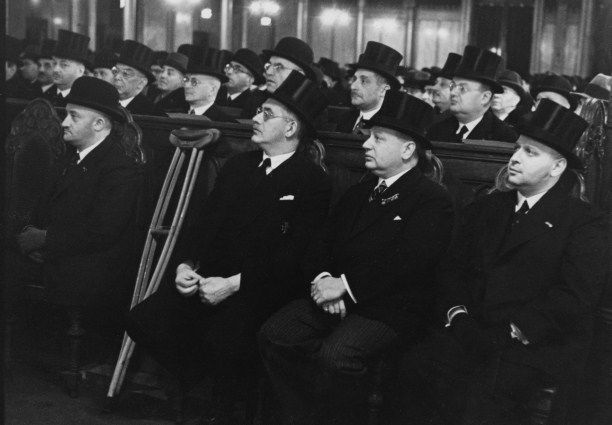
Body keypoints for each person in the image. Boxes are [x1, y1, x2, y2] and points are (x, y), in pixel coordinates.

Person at [125, 71, 331, 424]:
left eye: (267, 114)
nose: (255, 118)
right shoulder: (239, 166)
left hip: (260, 288)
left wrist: (234, 284)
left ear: (291, 128)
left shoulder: (311, 180)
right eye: (259, 111)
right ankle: (201, 388)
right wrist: (185, 265)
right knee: (143, 319)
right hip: (209, 277)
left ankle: (218, 409)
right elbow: (202, 225)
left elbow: (295, 257)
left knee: (224, 340)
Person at [405, 99, 607, 425]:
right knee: (414, 368)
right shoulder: (489, 207)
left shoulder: (585, 223)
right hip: (470, 329)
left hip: (534, 344)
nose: (514, 159)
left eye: (530, 153)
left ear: (557, 167)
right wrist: (458, 315)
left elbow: (573, 299)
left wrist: (511, 330)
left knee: (484, 394)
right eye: (517, 148)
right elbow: (451, 267)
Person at [258, 90, 454, 425]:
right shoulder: (360, 191)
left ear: (408, 150)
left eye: (378, 139)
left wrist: (345, 287)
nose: (366, 144)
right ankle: (305, 416)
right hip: (335, 294)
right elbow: (321, 243)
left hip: (390, 307)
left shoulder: (431, 199)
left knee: (338, 355)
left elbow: (408, 265)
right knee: (275, 333)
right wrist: (322, 280)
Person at [15, 75, 144, 316]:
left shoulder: (120, 167)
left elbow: (104, 231)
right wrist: (34, 237)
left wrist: (45, 240)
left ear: (98, 124)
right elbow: (40, 208)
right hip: (59, 254)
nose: (64, 122)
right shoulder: (68, 157)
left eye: (74, 116)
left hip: (91, 265)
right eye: (66, 114)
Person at [426, 45, 518, 144]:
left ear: (485, 97)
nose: (453, 92)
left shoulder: (504, 137)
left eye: (462, 88)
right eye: (453, 85)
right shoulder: (436, 128)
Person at [332, 41, 402, 133]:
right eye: (354, 79)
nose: (353, 86)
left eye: (364, 81)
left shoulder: (390, 127)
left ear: (384, 90)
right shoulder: (346, 118)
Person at [112, 40, 166, 116]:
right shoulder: (105, 103)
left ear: (141, 83)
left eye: (125, 73)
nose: (117, 77)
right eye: (115, 71)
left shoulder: (152, 113)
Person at [181, 47, 235, 121]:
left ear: (212, 90)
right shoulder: (174, 115)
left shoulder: (225, 122)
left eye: (194, 82)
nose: (186, 86)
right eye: (186, 80)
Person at [43, 29, 90, 107]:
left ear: (80, 70)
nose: (55, 69)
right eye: (54, 63)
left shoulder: (86, 100)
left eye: (64, 65)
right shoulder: (44, 95)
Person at [217, 48, 267, 118]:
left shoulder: (254, 103)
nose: (229, 71)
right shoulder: (214, 94)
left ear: (250, 80)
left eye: (237, 69)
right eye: (229, 66)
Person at [430, 53, 462, 124]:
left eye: (442, 84)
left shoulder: (457, 122)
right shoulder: (427, 116)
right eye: (435, 83)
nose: (434, 87)